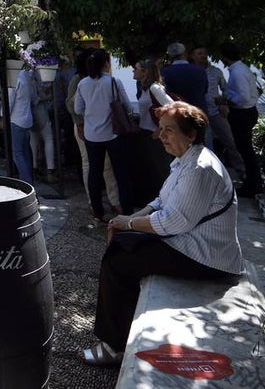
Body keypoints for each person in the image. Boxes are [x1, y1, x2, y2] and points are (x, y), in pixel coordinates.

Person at [81, 101, 245, 365]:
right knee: (121, 246)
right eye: (161, 130)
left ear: (191, 134)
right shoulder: (187, 159)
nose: (161, 136)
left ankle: (114, 346)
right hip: (191, 242)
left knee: (118, 261)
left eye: (169, 130)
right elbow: (161, 201)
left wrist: (130, 224)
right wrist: (131, 218)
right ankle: (121, 320)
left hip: (206, 256)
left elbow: (173, 222)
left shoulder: (198, 168)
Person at [74, 49, 136, 221]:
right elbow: (127, 106)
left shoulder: (83, 84)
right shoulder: (113, 82)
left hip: (92, 135)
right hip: (113, 134)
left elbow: (78, 109)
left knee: (94, 172)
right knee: (121, 173)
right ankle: (127, 210)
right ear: (106, 64)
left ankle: (98, 211)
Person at [190, 45, 247, 183]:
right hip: (199, 114)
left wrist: (223, 102)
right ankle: (212, 177)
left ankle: (243, 172)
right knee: (207, 146)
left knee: (231, 142)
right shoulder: (190, 72)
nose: (203, 56)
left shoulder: (215, 71)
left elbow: (225, 89)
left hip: (216, 112)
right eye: (199, 53)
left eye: (204, 53)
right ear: (192, 56)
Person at [221, 42, 265, 196]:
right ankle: (253, 183)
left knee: (245, 151)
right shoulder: (242, 69)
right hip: (247, 112)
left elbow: (243, 98)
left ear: (225, 57)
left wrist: (226, 99)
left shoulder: (238, 72)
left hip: (243, 113)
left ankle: (253, 185)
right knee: (245, 150)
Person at [131, 59, 173, 206]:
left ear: (145, 71)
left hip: (153, 136)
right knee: (149, 170)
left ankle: (165, 203)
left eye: (136, 68)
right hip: (144, 133)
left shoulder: (155, 88)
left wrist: (160, 129)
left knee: (159, 170)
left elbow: (171, 107)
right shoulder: (144, 87)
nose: (133, 71)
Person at [7, 65, 37, 184]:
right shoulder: (27, 75)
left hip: (16, 119)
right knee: (25, 152)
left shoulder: (14, 78)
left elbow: (9, 102)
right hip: (27, 118)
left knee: (17, 154)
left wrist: (2, 118)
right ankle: (30, 180)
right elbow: (34, 97)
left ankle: (26, 182)